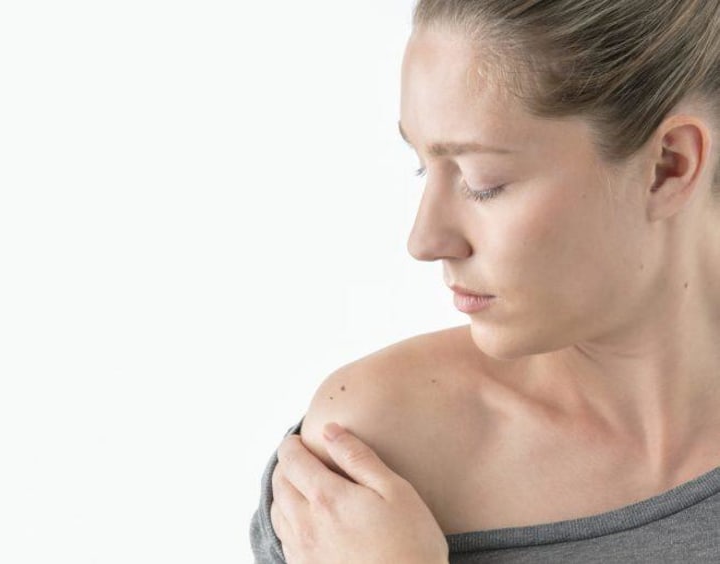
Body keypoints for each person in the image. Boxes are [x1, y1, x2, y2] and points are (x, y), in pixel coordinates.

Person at [250, 0, 720, 562]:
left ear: (669, 165)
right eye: (425, 167)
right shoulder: (373, 455)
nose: (424, 240)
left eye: (482, 181)